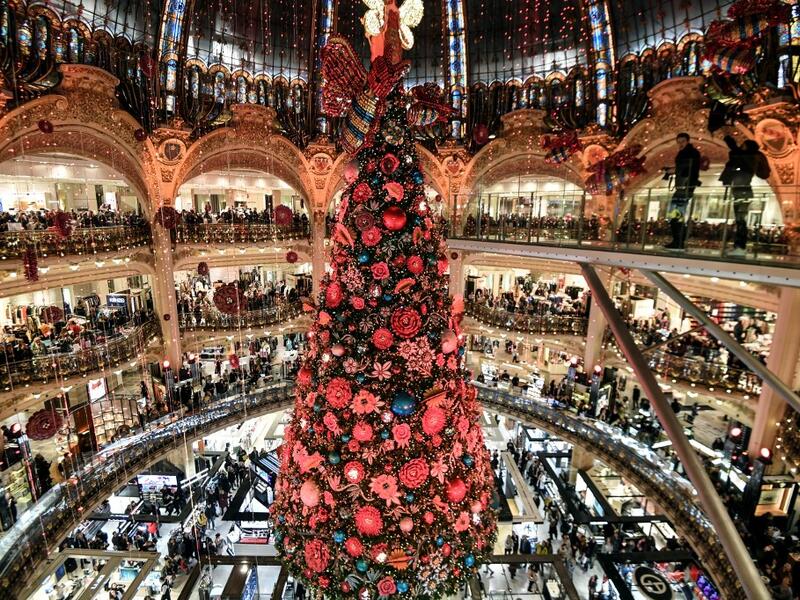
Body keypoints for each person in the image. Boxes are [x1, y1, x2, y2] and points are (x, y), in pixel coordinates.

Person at [720, 135, 770, 257]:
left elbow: (734, 149)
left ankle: (740, 246)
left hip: (741, 191)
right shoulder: (751, 158)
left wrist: (728, 138)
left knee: (741, 221)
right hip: (743, 191)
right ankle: (739, 246)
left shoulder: (746, 157)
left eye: (743, 146)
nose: (741, 147)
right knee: (740, 220)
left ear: (746, 147)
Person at [664, 133, 701, 250]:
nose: (680, 144)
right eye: (678, 142)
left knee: (676, 216)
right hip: (684, 187)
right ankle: (678, 241)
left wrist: (672, 170)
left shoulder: (690, 153)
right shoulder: (688, 153)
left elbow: (686, 168)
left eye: (682, 141)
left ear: (688, 141)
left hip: (684, 187)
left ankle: (678, 241)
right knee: (676, 216)